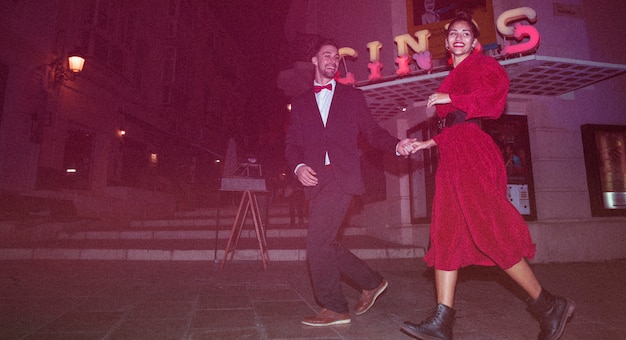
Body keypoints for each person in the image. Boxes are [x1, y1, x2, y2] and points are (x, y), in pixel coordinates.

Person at [400, 12, 575, 340]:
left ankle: (549, 305)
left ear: (475, 42)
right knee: (445, 233)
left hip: (473, 155)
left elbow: (493, 102)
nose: (459, 37)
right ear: (448, 43)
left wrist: (451, 98)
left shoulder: (483, 65)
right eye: (453, 33)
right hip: (452, 154)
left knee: (488, 230)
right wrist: (427, 142)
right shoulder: (452, 76)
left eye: (465, 33)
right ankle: (442, 320)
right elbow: (454, 125)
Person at [285, 38, 417, 326]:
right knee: (325, 242)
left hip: (342, 177)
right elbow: (292, 144)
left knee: (316, 243)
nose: (333, 60)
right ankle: (371, 281)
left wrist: (396, 145)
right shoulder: (300, 103)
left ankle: (335, 307)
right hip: (315, 179)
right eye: (327, 55)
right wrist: (298, 166)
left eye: (336, 57)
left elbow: (371, 132)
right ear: (315, 61)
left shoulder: (352, 97)